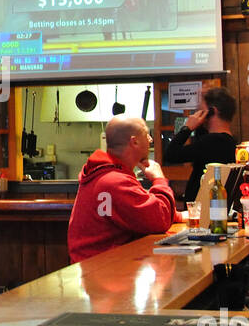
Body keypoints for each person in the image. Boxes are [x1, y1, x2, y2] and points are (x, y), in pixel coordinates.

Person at [68, 114, 179, 262]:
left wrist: (176, 215)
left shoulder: (107, 174)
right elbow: (160, 220)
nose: (150, 140)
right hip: (101, 270)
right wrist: (159, 179)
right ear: (135, 142)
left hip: (99, 264)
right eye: (147, 135)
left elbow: (135, 213)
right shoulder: (115, 181)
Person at [163, 86, 238, 201]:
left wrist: (187, 128)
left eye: (200, 109)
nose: (197, 113)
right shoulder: (230, 141)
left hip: (201, 212)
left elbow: (171, 154)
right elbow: (201, 138)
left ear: (212, 111)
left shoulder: (211, 142)